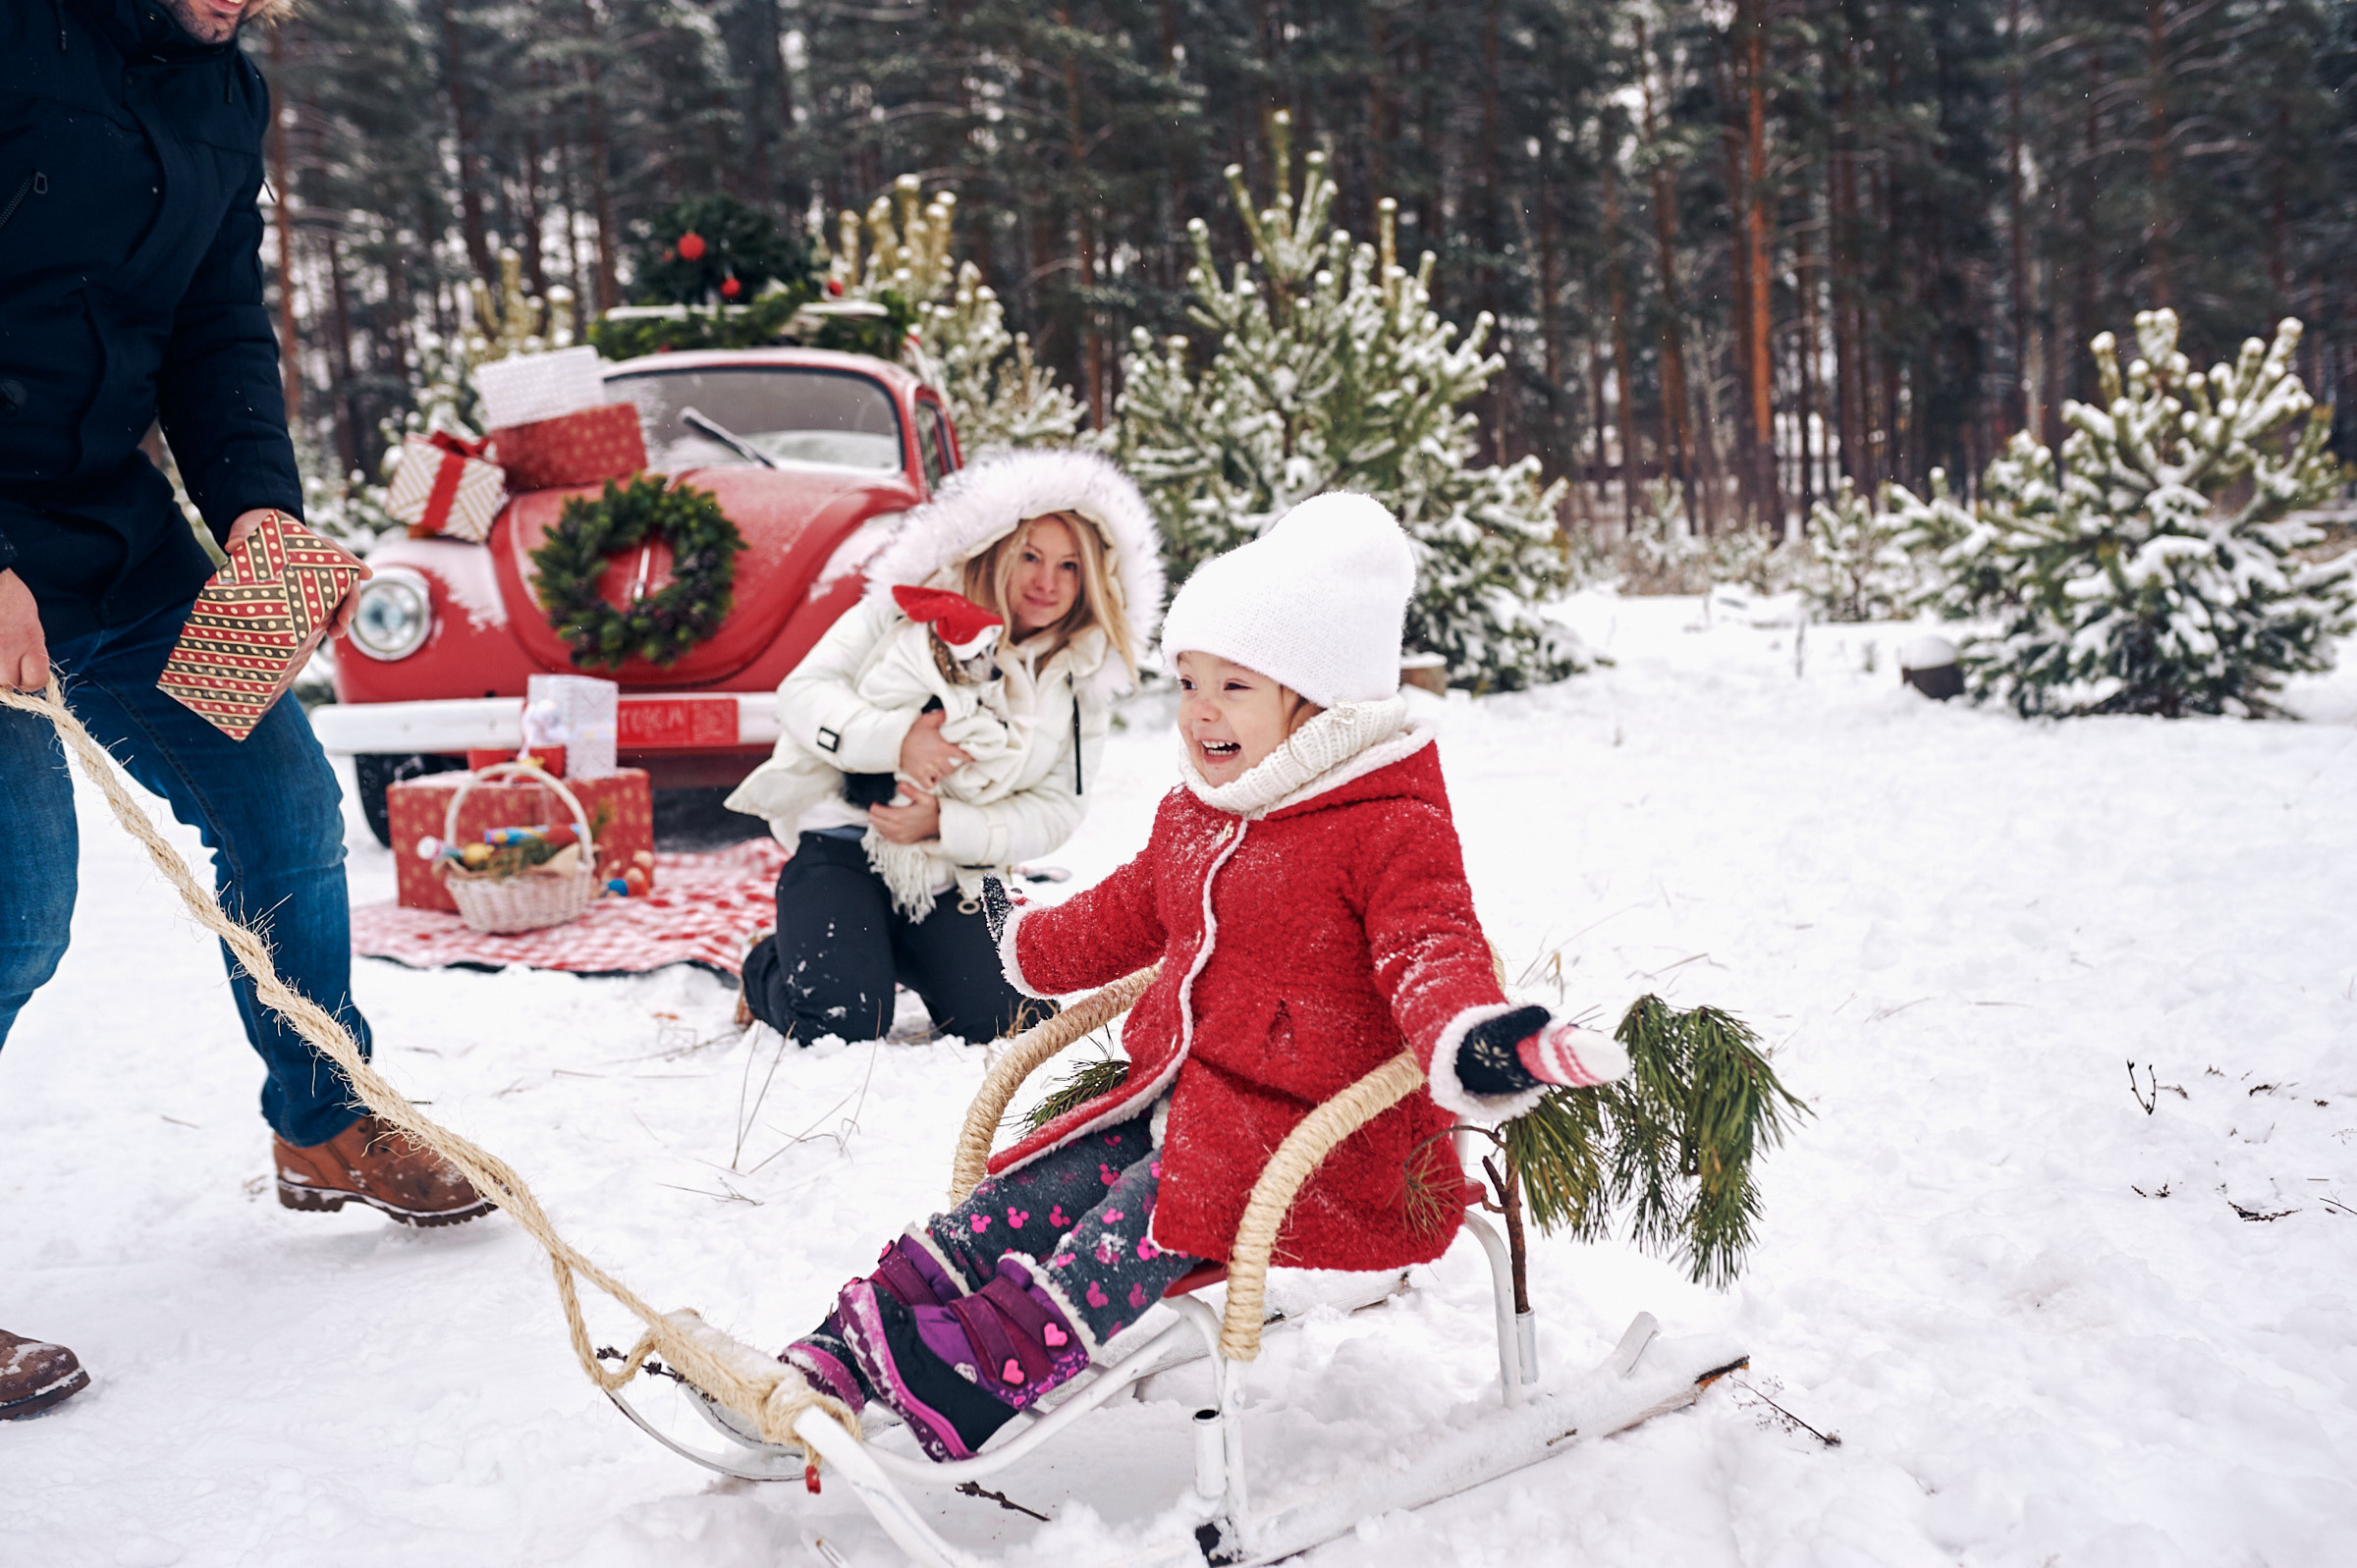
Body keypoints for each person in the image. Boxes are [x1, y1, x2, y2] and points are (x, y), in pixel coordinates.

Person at [774, 493, 1632, 1463]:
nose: (1201, 711)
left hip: (1326, 1150)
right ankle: (864, 1335)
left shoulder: (1389, 825)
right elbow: (1126, 911)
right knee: (1031, 1190)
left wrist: (1483, 1040)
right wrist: (1024, 943)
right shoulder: (1201, 812)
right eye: (1188, 681)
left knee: (1144, 1215)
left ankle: (990, 1364)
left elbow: (1432, 951)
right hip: (1185, 1106)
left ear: (1315, 701)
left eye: (1235, 686)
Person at [0, 0, 490, 1422]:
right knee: (19, 908)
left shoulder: (229, 93)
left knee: (284, 806)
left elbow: (215, 332)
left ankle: (324, 1120)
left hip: (119, 541)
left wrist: (263, 522)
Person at [725, 449, 1162, 1046]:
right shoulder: (908, 609)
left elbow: (1059, 807)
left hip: (954, 873)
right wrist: (898, 742)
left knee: (1012, 1020)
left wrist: (946, 822)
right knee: (842, 1025)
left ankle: (888, 948)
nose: (1046, 582)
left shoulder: (1081, 677)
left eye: (1069, 566)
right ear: (998, 550)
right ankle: (772, 964)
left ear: (1092, 579)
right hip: (846, 843)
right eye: (1030, 556)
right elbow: (802, 693)